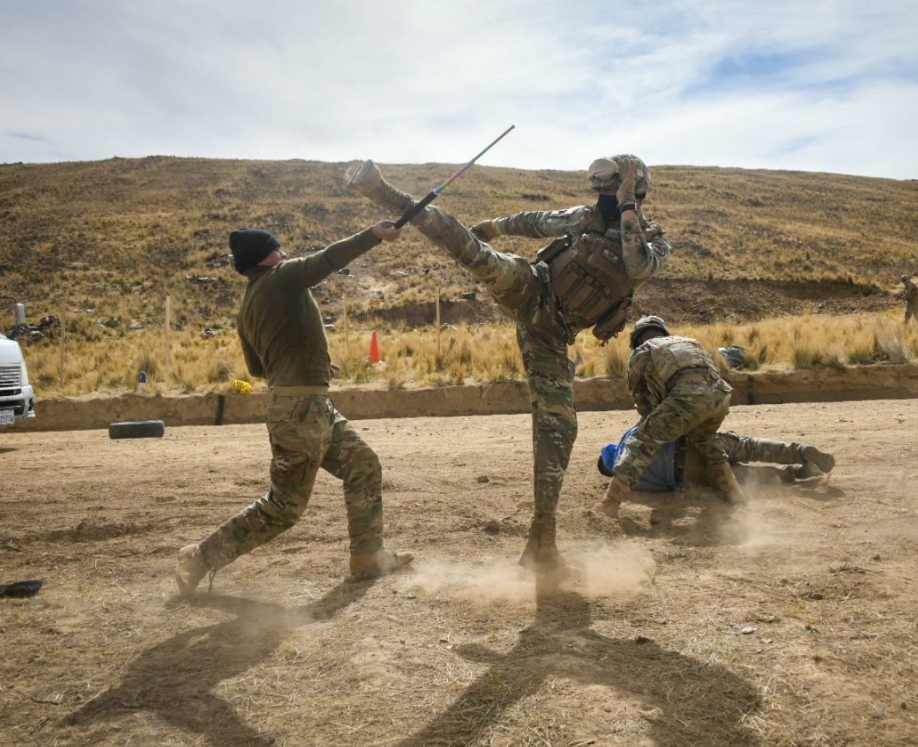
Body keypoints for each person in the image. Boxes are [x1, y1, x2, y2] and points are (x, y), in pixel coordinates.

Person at [349, 155, 670, 587]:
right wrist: (495, 226)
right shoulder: (583, 217)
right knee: (470, 248)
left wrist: (628, 207)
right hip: (531, 286)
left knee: (560, 428)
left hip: (551, 335)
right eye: (604, 191)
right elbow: (536, 220)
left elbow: (635, 264)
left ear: (638, 192)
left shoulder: (653, 242)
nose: (606, 199)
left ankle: (542, 542)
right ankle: (384, 192)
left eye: (615, 191)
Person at [175, 223, 414, 596]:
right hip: (301, 411)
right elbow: (328, 260)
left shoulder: (249, 302)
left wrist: (309, 362)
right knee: (284, 506)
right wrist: (374, 234)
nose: (285, 252)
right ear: (266, 257)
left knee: (364, 465)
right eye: (279, 248)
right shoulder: (282, 277)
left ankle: (368, 557)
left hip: (307, 404)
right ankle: (198, 558)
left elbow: (257, 369)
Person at [596, 315, 742, 519]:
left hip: (687, 397)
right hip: (721, 396)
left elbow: (641, 400)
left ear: (637, 340)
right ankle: (735, 495)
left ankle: (609, 504)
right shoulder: (690, 342)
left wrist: (651, 424)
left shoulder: (642, 352)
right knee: (707, 442)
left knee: (641, 441)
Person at [598, 426, 836, 492]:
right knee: (747, 447)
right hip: (691, 441)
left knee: (742, 476)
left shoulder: (633, 481)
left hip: (684, 472)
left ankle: (793, 473)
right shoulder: (628, 435)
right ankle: (800, 451)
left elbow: (664, 487)